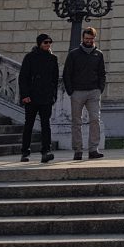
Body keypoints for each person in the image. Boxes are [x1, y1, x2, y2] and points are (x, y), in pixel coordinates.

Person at [62, 26, 106, 160]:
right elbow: (66, 74)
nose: (88, 41)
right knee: (77, 122)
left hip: (93, 92)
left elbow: (102, 73)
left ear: (94, 38)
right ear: (83, 38)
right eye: (86, 38)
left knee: (95, 120)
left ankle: (93, 149)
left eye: (91, 39)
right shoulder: (74, 54)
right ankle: (78, 150)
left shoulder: (99, 54)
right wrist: (71, 91)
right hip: (77, 92)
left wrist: (100, 89)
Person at [17, 33, 59, 163]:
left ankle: (46, 151)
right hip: (32, 96)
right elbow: (23, 77)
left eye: (49, 42)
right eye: (45, 42)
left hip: (46, 97)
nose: (48, 44)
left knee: (46, 124)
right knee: (28, 124)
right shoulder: (30, 57)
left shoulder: (53, 59)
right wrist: (25, 95)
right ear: (39, 43)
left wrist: (53, 96)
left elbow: (55, 80)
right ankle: (25, 152)